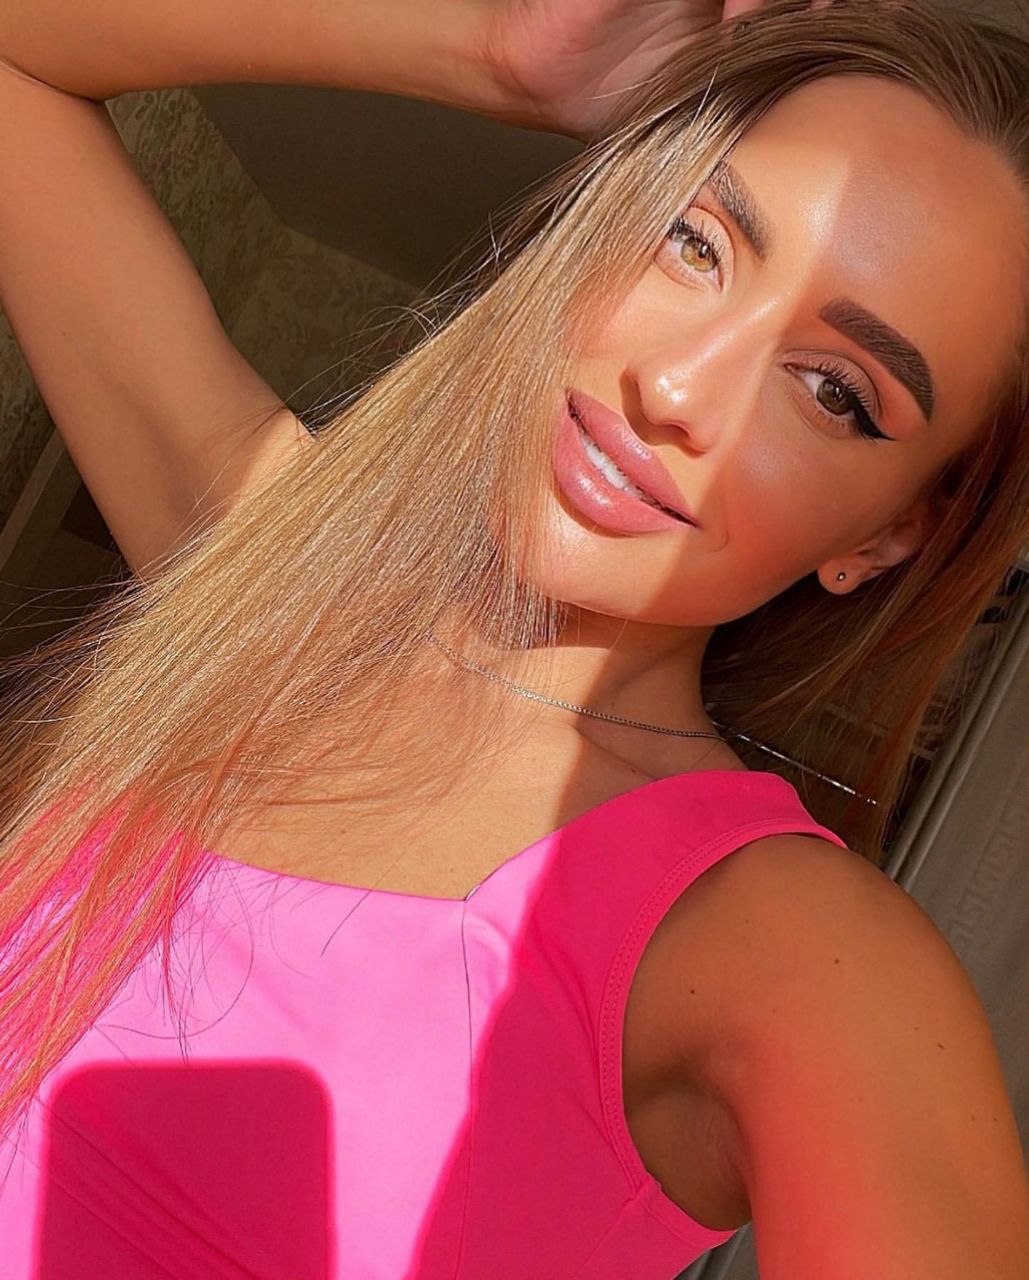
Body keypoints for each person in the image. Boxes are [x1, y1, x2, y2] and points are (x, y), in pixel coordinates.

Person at [0, 0, 1026, 1275]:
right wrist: (501, 53)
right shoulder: (276, 571)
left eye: (835, 391)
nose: (677, 387)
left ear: (886, 536)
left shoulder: (781, 955)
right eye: (693, 240)